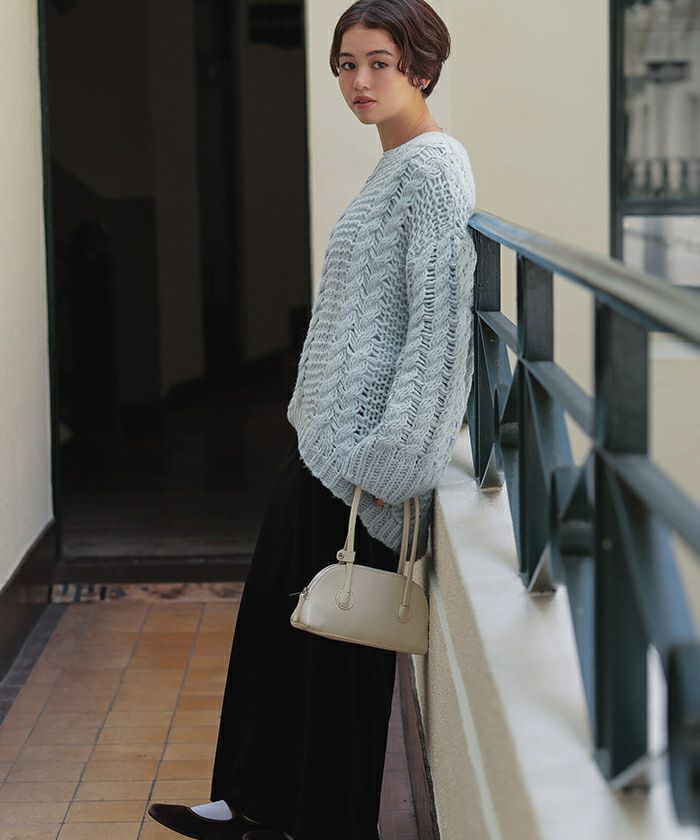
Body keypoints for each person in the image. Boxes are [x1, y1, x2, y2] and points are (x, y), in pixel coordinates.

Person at [147, 0, 476, 838]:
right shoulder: (395, 165)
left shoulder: (434, 170)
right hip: (325, 448)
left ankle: (315, 822)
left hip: (365, 468)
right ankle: (248, 804)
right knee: (275, 632)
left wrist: (391, 465)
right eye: (346, 64)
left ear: (421, 67)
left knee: (334, 663)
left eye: (379, 63)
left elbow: (438, 330)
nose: (359, 81)